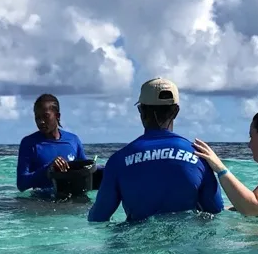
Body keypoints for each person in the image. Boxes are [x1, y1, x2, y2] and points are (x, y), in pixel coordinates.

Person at [87, 78, 223, 223]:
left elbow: (98, 217)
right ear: (176, 111)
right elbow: (215, 208)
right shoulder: (199, 156)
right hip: (185, 242)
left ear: (141, 111)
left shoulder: (118, 160)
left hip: (136, 242)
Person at [16, 94, 88, 193]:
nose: (41, 122)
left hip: (73, 203)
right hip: (44, 204)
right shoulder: (29, 143)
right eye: (37, 118)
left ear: (57, 116)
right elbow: (21, 184)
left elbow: (86, 172)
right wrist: (48, 169)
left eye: (46, 116)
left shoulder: (73, 140)